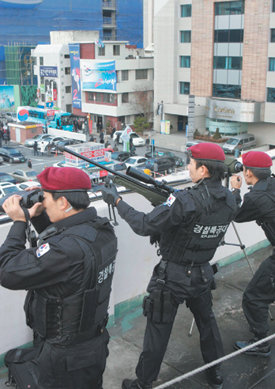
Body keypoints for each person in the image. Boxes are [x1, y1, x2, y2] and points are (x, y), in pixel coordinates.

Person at [101, 143, 238, 389]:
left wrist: (118, 201)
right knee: (208, 324)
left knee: (157, 333)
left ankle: (144, 382)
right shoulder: (229, 199)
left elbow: (144, 225)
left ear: (204, 169)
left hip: (172, 277)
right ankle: (215, 373)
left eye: (191, 163)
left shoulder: (186, 200)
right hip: (203, 273)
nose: (188, 166)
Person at [0, 167, 117, 389]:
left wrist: (18, 222)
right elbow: (62, 240)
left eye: (45, 198)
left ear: (63, 203)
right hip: (94, 344)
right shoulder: (102, 230)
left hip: (64, 358)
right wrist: (38, 217)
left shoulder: (65, 251)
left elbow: (7, 272)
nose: (43, 203)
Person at [230, 151, 275, 357]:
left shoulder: (256, 197)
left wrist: (235, 190)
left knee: (254, 297)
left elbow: (235, 215)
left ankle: (261, 343)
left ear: (248, 173)